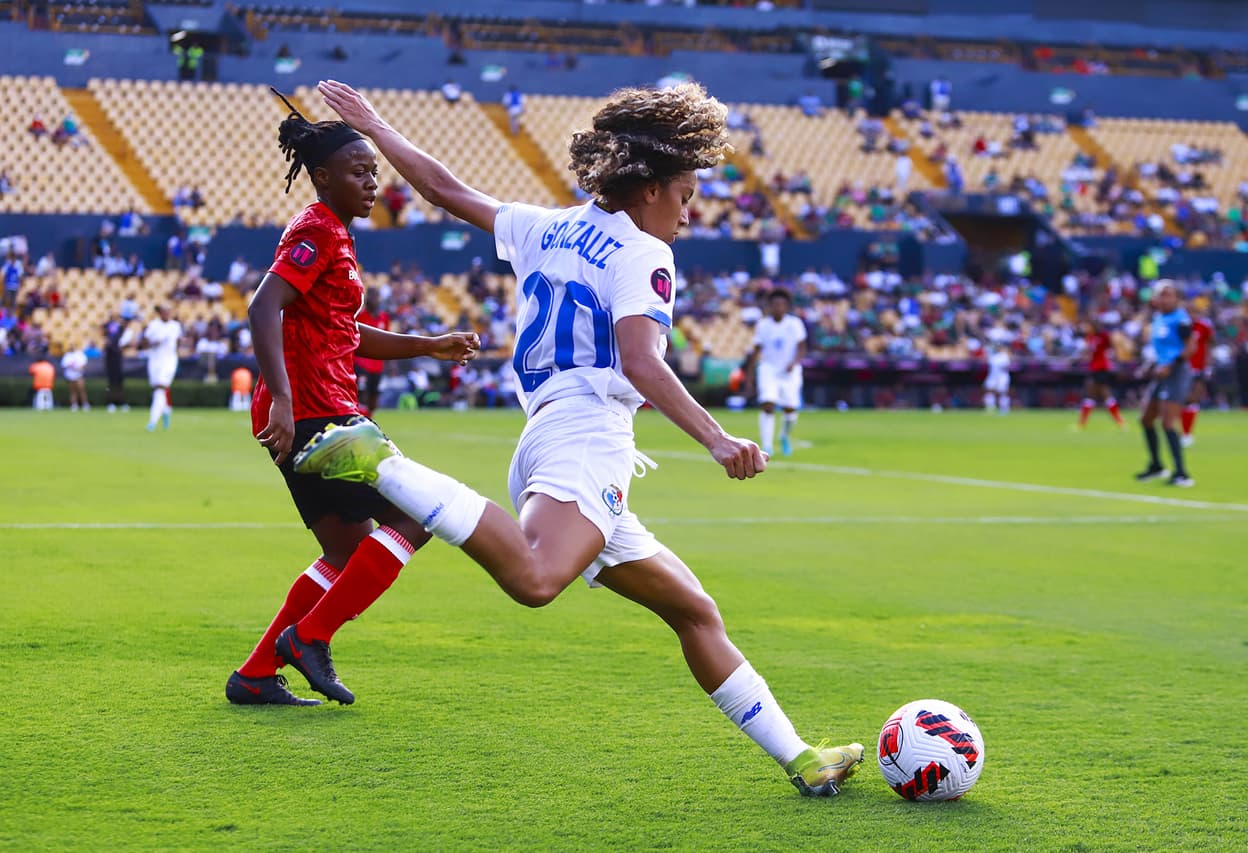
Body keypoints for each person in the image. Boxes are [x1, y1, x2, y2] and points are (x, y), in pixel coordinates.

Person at [298, 79, 864, 798]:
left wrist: (376, 124)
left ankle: (800, 757)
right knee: (537, 579)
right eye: (686, 196)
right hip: (586, 436)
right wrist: (717, 437)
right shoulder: (644, 255)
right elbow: (639, 360)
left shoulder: (549, 225)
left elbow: (442, 189)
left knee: (693, 611)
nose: (688, 214)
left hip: (550, 436)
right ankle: (382, 464)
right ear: (651, 187)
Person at [225, 88, 479, 708]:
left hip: (316, 405)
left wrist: (426, 345)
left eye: (375, 173)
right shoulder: (316, 228)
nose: (373, 184)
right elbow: (264, 305)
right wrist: (284, 401)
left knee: (344, 549)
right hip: (317, 410)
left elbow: (340, 330)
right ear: (322, 176)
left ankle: (257, 674)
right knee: (413, 519)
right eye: (360, 172)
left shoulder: (334, 232)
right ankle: (308, 636)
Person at [1135, 281, 1195, 487]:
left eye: (1168, 295)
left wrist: (1172, 364)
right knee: (1145, 419)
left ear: (1176, 298)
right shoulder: (1159, 319)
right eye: (1161, 295)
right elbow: (1162, 349)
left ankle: (1181, 473)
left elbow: (1190, 348)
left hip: (1176, 372)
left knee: (1168, 422)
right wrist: (1150, 364)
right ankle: (1156, 465)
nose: (1164, 298)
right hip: (1161, 372)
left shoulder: (1181, 319)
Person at [744, 288, 807, 457]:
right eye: (775, 304)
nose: (778, 307)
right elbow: (756, 350)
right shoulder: (763, 325)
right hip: (769, 369)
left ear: (787, 306)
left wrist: (794, 362)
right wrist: (749, 375)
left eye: (781, 304)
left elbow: (802, 347)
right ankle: (766, 445)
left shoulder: (795, 324)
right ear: (770, 306)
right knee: (768, 404)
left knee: (790, 409)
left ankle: (784, 436)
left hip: (789, 370)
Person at [138, 304, 182, 431]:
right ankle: (166, 411)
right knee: (158, 389)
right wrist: (154, 343)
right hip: (155, 359)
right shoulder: (154, 325)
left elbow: (178, 341)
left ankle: (153, 421)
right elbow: (144, 342)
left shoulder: (175, 326)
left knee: (160, 387)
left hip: (169, 360)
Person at [1076, 320, 1124, 429]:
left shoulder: (1103, 336)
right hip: (1095, 368)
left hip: (1101, 368)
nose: (1086, 328)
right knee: (1103, 393)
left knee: (1093, 393)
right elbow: (1089, 353)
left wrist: (1115, 357)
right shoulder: (1090, 337)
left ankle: (1082, 423)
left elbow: (1112, 347)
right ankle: (1119, 421)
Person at [1181, 310, 1214, 447]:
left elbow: (1210, 344)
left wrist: (1209, 364)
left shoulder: (1204, 326)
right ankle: (1184, 431)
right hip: (1182, 367)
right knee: (1183, 399)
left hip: (1199, 367)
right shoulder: (1181, 327)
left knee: (1193, 398)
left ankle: (1187, 434)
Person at [102, 315, 128, 411]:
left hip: (117, 367)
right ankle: (111, 403)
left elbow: (122, 329)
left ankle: (121, 403)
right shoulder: (109, 346)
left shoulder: (116, 343)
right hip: (111, 367)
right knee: (111, 386)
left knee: (119, 386)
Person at [983, 343, 1011, 414]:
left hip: (1002, 376)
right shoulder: (992, 356)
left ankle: (1004, 408)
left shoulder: (1004, 356)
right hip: (993, 376)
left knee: (1002, 392)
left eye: (999, 347)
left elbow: (1006, 366)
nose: (998, 348)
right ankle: (990, 408)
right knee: (989, 391)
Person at [61, 343, 89, 411]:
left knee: (81, 390)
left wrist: (79, 368)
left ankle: (85, 404)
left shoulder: (80, 354)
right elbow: (64, 365)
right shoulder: (67, 355)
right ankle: (74, 405)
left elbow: (84, 364)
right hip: (70, 376)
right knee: (72, 391)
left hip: (79, 375)